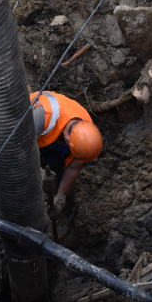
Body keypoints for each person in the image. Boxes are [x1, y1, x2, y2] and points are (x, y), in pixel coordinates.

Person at [30, 91, 103, 220]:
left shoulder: (86, 134)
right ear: (67, 139)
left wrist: (60, 198)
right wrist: (36, 174)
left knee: (56, 169)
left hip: (50, 136)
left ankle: (65, 212)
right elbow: (20, 153)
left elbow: (74, 168)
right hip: (30, 124)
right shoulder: (41, 116)